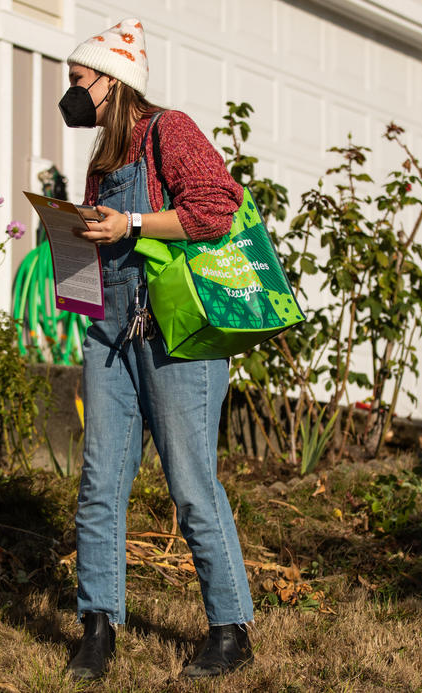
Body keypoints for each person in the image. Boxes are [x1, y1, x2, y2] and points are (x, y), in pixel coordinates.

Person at [59, 18, 256, 681]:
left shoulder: (170, 131)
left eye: (79, 80)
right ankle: (97, 626)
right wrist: (72, 244)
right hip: (111, 327)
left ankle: (230, 629)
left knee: (192, 481)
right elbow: (100, 246)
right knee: (99, 482)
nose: (72, 92)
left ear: (112, 84)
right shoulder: (102, 161)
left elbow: (214, 209)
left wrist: (133, 222)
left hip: (176, 329)